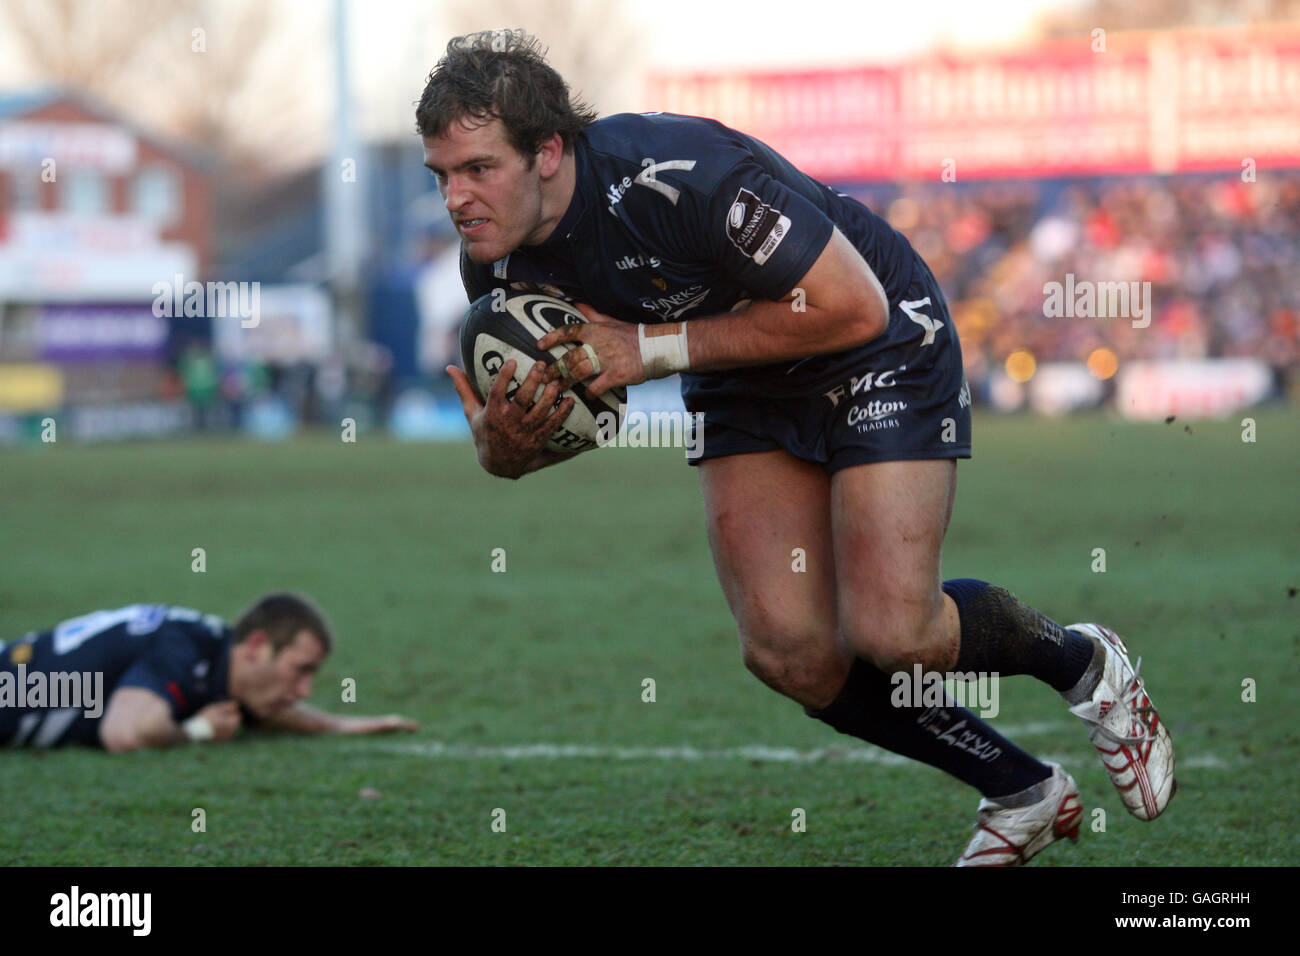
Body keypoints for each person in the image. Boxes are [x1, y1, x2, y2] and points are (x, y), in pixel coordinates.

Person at [420, 30, 1174, 865]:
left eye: (478, 168)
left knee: (896, 630)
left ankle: (1083, 662)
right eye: (442, 175)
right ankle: (1022, 788)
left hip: (874, 337)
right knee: (790, 651)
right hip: (739, 373)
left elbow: (852, 306)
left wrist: (648, 346)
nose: (457, 197)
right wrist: (504, 446)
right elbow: (589, 416)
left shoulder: (677, 173)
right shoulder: (498, 273)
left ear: (549, 152)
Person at [0, 594, 416, 752]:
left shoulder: (216, 657)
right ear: (256, 648)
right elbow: (125, 733)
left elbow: (268, 707)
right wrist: (196, 731)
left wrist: (344, 726)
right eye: (299, 671)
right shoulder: (181, 648)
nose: (301, 690)